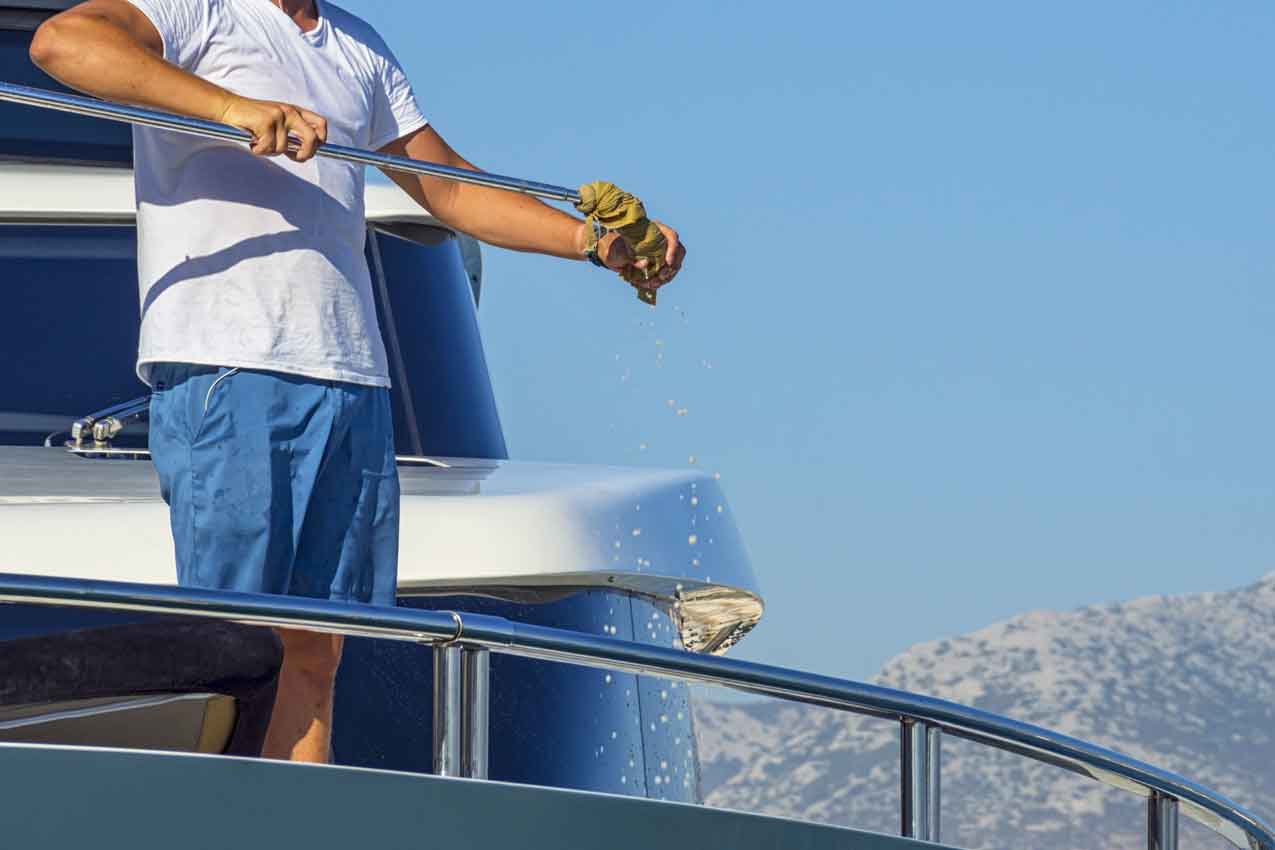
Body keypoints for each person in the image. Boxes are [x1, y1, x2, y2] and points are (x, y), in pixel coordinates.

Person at [29, 0, 685, 765]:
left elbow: (450, 188)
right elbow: (61, 43)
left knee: (320, 649)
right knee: (228, 639)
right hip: (230, 366)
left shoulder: (359, 48)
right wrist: (234, 108)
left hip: (352, 379)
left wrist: (591, 242)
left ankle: (297, 822)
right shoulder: (197, 10)